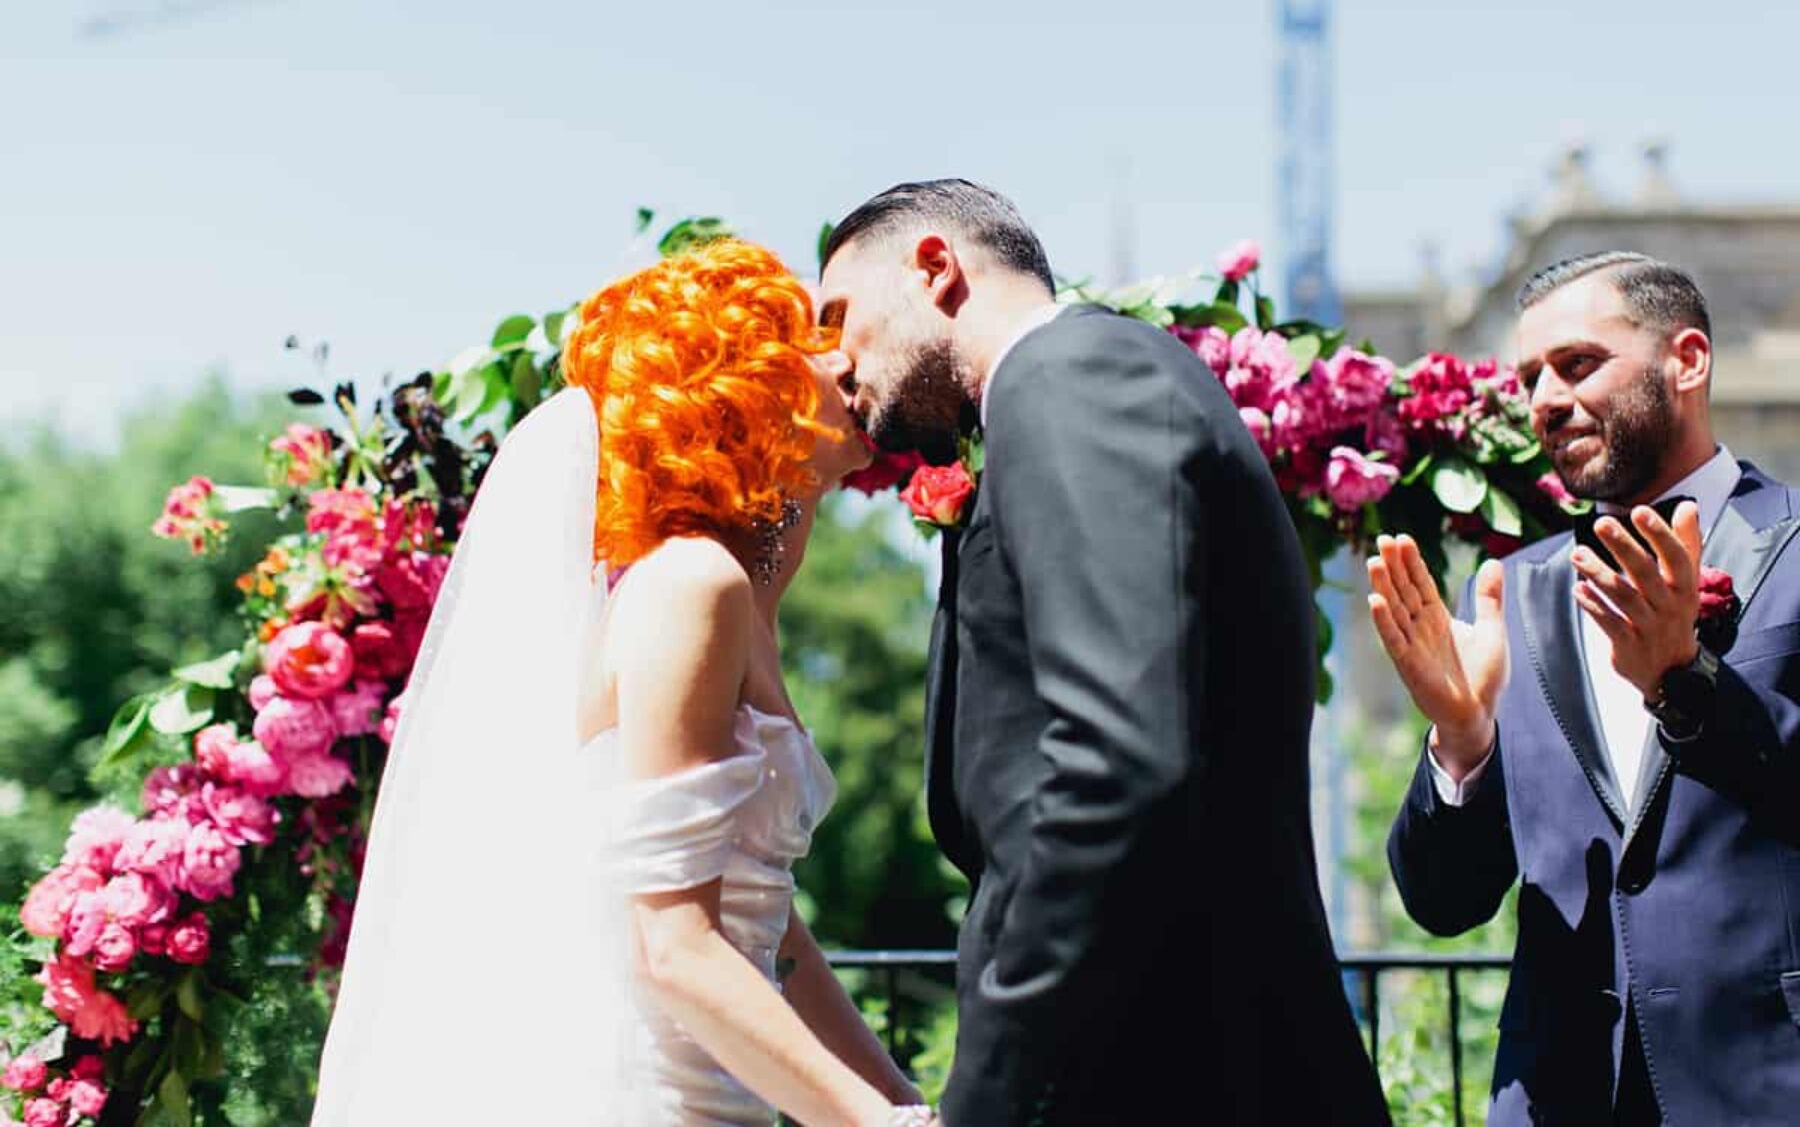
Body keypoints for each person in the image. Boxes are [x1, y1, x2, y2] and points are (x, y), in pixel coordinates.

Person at [312, 240, 934, 1126]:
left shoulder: (743, 599)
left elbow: (775, 940)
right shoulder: (693, 585)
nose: (847, 359)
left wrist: (910, 1099)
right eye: (810, 343)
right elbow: (671, 948)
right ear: (738, 382)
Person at [818, 179, 1389, 1126]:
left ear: (933, 268)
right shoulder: (1078, 387)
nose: (835, 362)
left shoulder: (1070, 376)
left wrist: (994, 1094)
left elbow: (1119, 761)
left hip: (1162, 1073)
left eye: (839, 317)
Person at [1369, 252, 1800, 1124]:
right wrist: (1459, 742)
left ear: (1686, 361)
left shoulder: (1794, 551)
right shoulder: (1511, 598)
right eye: (1531, 377)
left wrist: (1686, 686)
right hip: (1559, 1098)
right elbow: (1445, 905)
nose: (1545, 400)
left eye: (1578, 364)